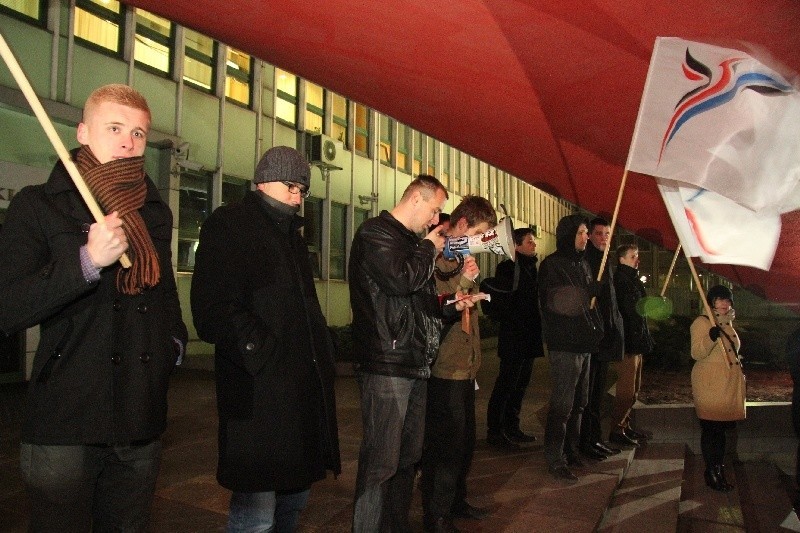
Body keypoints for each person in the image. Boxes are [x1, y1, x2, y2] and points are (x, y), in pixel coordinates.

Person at [0, 84, 188, 531]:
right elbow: (9, 307)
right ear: (84, 132)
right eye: (116, 128)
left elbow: (162, 293)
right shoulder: (39, 205)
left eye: (139, 133)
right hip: (67, 417)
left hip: (139, 413)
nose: (129, 141)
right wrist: (86, 262)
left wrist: (172, 347)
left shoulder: (154, 210)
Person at [190, 146, 341, 532]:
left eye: (303, 190)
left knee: (292, 505)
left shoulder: (291, 235)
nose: (297, 196)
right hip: (258, 395)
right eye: (290, 185)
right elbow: (214, 310)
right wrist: (267, 355)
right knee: (256, 514)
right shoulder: (230, 225)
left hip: (299, 394)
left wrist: (319, 349)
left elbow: (301, 312)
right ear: (261, 182)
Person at [349, 175, 481, 532]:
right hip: (387, 363)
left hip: (413, 363)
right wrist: (429, 248)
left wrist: (454, 304)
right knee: (382, 462)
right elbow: (400, 280)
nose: (436, 220)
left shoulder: (411, 243)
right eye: (435, 209)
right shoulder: (376, 234)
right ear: (417, 200)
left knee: (407, 460)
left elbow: (422, 302)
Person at [421, 195, 496, 532]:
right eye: (480, 233)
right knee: (445, 449)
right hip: (445, 368)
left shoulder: (460, 256)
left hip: (464, 367)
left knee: (464, 444)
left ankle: (455, 502)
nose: (482, 241)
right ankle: (437, 515)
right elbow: (441, 305)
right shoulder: (435, 254)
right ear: (463, 226)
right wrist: (466, 282)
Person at [538, 214, 604, 483]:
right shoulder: (552, 265)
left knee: (580, 402)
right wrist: (587, 291)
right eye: (581, 232)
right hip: (565, 344)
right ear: (567, 235)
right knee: (563, 404)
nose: (586, 237)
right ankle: (555, 458)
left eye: (587, 232)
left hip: (584, 342)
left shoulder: (585, 264)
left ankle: (571, 449)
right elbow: (557, 301)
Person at [486, 227, 544, 448]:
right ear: (517, 246)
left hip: (529, 336)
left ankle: (512, 426)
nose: (534, 244)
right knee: (506, 384)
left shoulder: (531, 268)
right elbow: (510, 301)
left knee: (521, 385)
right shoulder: (508, 267)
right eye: (529, 241)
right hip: (514, 337)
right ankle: (496, 431)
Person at [690, 284, 744, 492]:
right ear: (711, 302)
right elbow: (696, 352)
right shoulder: (702, 323)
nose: (724, 304)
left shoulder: (727, 323)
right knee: (712, 430)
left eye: (727, 300)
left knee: (720, 431)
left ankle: (718, 469)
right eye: (719, 300)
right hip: (710, 384)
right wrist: (711, 337)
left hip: (726, 385)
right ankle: (711, 472)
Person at [580, 218, 625, 459]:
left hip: (606, 336)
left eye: (607, 233)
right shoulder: (587, 260)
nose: (603, 237)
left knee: (598, 394)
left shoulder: (606, 260)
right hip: (593, 337)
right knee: (589, 395)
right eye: (599, 233)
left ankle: (595, 438)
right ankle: (587, 440)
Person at [611, 244, 655, 448]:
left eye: (637, 255)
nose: (637, 259)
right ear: (622, 259)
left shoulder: (633, 279)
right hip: (628, 342)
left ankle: (625, 425)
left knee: (635, 389)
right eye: (632, 256)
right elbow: (629, 309)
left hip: (636, 340)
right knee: (626, 390)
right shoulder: (621, 280)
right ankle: (616, 428)